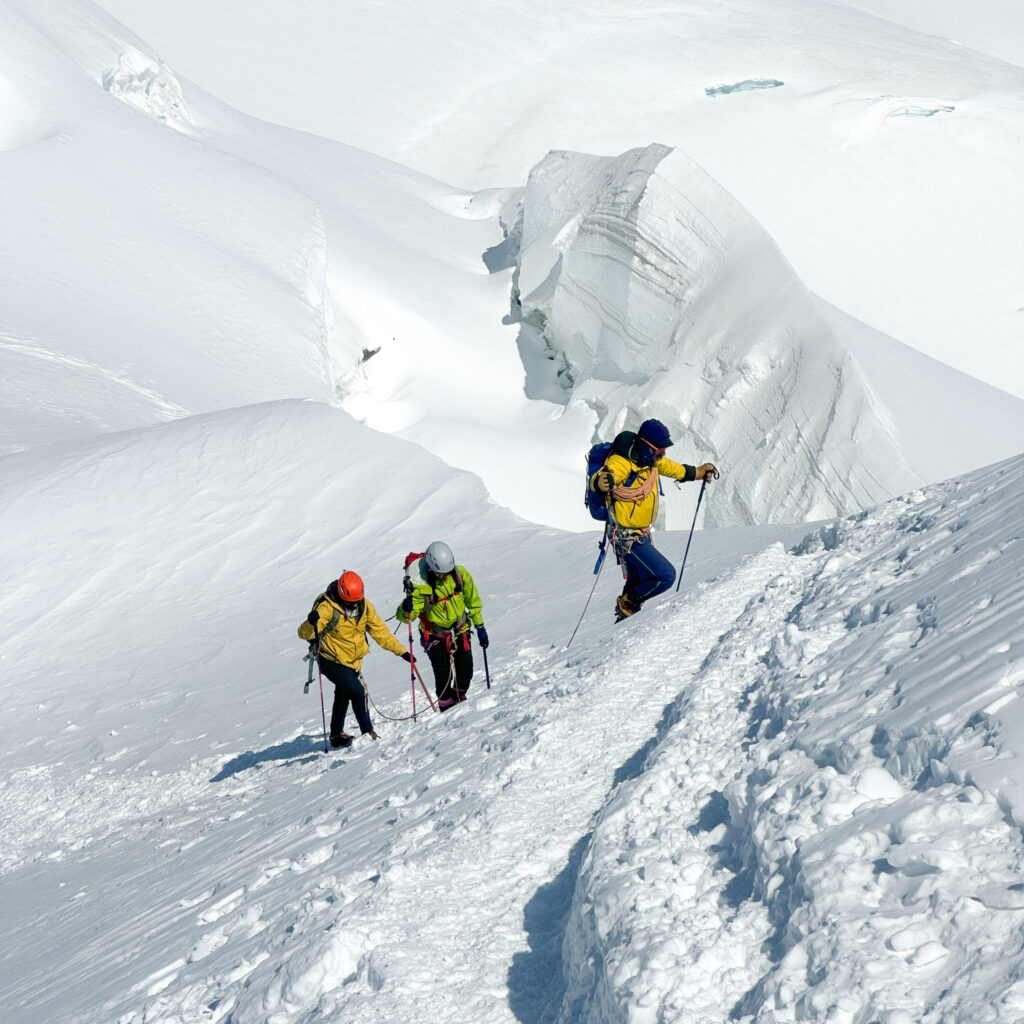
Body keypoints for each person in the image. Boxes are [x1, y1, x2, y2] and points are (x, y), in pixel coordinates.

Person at [591, 418, 718, 622]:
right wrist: (601, 481)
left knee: (638, 579)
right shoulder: (623, 461)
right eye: (660, 451)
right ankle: (629, 603)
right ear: (647, 446)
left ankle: (623, 621)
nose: (663, 455)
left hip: (641, 533)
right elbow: (608, 473)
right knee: (665, 576)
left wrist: (698, 472)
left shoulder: (651, 461)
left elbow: (674, 469)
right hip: (626, 537)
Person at [298, 570, 410, 747]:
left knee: (344, 693)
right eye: (350, 603)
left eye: (356, 601)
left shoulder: (364, 606)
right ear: (342, 595)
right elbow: (303, 633)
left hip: (352, 661)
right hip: (330, 660)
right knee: (357, 691)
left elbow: (379, 631)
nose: (354, 605)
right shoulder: (327, 608)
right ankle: (368, 732)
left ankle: (336, 736)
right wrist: (310, 622)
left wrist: (401, 651)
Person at [396, 541, 487, 710]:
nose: (445, 576)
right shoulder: (421, 585)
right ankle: (447, 708)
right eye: (441, 574)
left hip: (460, 629)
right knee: (443, 676)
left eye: (447, 572)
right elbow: (407, 616)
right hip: (435, 636)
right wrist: (405, 608)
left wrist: (480, 626)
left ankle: (460, 698)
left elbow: (472, 601)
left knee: (465, 671)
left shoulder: (460, 575)